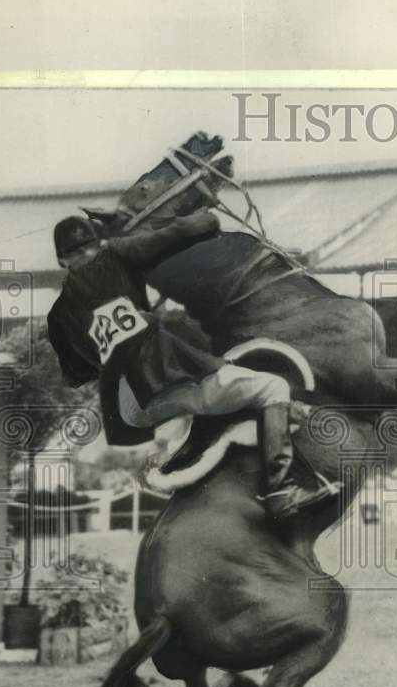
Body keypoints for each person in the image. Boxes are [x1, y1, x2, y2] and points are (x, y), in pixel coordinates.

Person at [46, 211, 339, 521]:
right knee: (272, 387)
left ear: (62, 261)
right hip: (165, 379)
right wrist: (202, 218)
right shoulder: (114, 253)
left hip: (129, 408)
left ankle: (197, 458)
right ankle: (280, 492)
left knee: (208, 395)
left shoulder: (58, 316)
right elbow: (195, 227)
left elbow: (78, 375)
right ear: (97, 244)